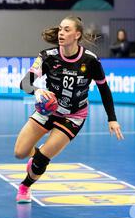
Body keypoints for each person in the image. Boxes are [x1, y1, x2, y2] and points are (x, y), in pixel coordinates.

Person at [14, 15, 124, 203]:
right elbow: (24, 83)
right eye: (60, 29)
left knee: (42, 160)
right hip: (47, 111)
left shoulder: (90, 61)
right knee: (20, 153)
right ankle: (37, 156)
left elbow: (104, 89)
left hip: (73, 117)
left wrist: (111, 118)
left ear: (77, 34)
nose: (61, 33)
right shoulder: (47, 56)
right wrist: (37, 90)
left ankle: (25, 187)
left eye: (66, 29)